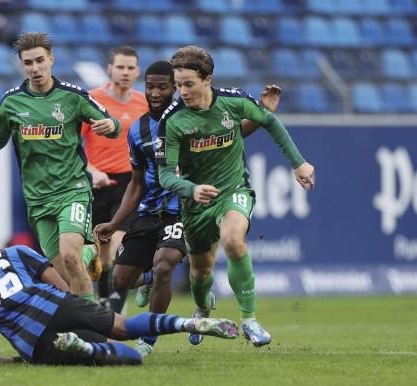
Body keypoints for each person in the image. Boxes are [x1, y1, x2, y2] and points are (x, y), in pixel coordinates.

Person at [95, 61, 283, 356]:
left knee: (166, 265)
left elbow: (229, 132)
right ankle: (149, 280)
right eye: (150, 87)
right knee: (120, 280)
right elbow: (136, 183)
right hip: (149, 212)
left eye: (164, 87)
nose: (156, 93)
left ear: (176, 89)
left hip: (181, 207)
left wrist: (262, 114)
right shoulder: (138, 129)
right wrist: (115, 222)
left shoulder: (187, 117)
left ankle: (148, 340)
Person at [156, 46, 315, 347]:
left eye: (188, 83)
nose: (182, 91)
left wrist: (298, 163)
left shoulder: (233, 101)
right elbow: (165, 176)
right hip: (195, 203)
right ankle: (203, 310)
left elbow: (269, 121)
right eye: (178, 85)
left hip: (233, 190)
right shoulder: (172, 121)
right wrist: (191, 189)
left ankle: (250, 319)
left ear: (207, 79)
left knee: (232, 239)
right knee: (200, 272)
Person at [0, 32, 120, 301]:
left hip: (72, 189)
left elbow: (111, 124)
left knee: (71, 258)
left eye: (40, 60)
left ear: (51, 59)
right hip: (38, 199)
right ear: (22, 65)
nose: (35, 68)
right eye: (28, 63)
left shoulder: (73, 97)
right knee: (65, 277)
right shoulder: (13, 102)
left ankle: (94, 329)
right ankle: (89, 263)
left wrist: (111, 125)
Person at [0, 224, 240, 366]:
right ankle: (185, 324)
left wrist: (15, 360)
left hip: (34, 343)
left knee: (128, 358)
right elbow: (60, 286)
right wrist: (76, 312)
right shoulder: (15, 253)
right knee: (124, 328)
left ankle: (87, 350)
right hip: (57, 306)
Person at [81, 46, 148, 309]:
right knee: (102, 259)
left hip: (128, 184)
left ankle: (114, 311)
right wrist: (92, 170)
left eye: (131, 68)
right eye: (120, 67)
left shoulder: (143, 103)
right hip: (96, 183)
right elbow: (75, 143)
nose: (125, 72)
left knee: (119, 249)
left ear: (137, 71)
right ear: (110, 69)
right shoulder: (91, 100)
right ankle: (104, 300)